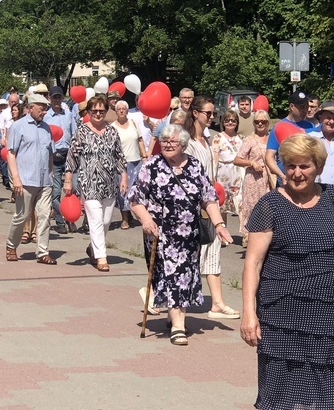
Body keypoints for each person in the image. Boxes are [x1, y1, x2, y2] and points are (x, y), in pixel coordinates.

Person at [241, 134, 334, 410]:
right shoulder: (270, 205)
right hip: (282, 314)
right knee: (279, 397)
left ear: (318, 167)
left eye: (305, 166)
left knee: (333, 394)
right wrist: (248, 312)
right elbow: (253, 264)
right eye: (291, 166)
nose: (297, 173)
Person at [129, 124, 232, 345]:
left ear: (183, 145)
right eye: (163, 140)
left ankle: (174, 319)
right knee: (170, 275)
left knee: (184, 276)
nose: (166, 144)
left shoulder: (194, 165)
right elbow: (136, 199)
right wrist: (146, 219)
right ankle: (177, 324)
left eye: (172, 141)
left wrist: (220, 225)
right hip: (161, 233)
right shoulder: (152, 166)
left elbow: (209, 198)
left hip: (188, 235)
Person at [184, 96, 240, 318]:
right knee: (188, 257)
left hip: (210, 204)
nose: (211, 117)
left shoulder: (208, 140)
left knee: (213, 251)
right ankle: (162, 298)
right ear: (195, 113)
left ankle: (217, 303)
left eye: (212, 114)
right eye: (208, 113)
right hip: (192, 207)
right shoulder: (187, 142)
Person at [64, 95, 128, 272]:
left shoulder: (112, 131)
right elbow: (72, 158)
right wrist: (68, 180)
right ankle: (101, 257)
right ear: (89, 112)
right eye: (95, 111)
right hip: (89, 183)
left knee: (106, 220)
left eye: (101, 111)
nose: (98, 114)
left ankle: (93, 248)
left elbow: (120, 156)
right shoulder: (81, 131)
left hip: (109, 183)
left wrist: (123, 177)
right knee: (95, 220)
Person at [4, 94, 57, 265]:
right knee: (22, 215)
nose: (44, 112)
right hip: (25, 180)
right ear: (31, 107)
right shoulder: (18, 126)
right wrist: (16, 179)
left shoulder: (47, 128)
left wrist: (51, 173)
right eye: (42, 108)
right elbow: (11, 154)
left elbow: (50, 152)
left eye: (46, 108)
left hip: (44, 181)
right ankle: (11, 246)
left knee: (44, 216)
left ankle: (42, 252)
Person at [234, 109, 271, 248]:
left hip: (269, 179)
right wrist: (251, 163)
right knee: (253, 209)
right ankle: (251, 240)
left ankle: (266, 240)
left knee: (268, 209)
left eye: (263, 121)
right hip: (253, 180)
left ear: (268, 122)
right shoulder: (249, 140)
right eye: (257, 121)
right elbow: (237, 159)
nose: (260, 124)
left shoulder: (272, 138)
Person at [44, 85, 77, 234]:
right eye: (54, 97)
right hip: (54, 155)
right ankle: (60, 220)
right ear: (49, 99)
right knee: (55, 191)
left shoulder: (68, 114)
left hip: (68, 154)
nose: (57, 99)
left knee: (72, 189)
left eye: (59, 97)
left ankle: (71, 219)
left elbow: (74, 133)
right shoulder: (46, 116)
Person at [265, 91, 314, 186]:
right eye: (301, 107)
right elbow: (269, 157)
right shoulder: (279, 127)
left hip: (306, 180)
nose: (306, 110)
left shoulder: (311, 126)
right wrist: (281, 175)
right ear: (292, 106)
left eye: (306, 107)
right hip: (285, 180)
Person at [112, 99, 147, 230]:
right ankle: (125, 219)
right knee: (123, 192)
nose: (121, 110)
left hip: (136, 161)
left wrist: (144, 156)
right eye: (119, 109)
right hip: (121, 164)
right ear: (116, 111)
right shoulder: (112, 127)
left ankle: (137, 215)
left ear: (127, 110)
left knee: (136, 191)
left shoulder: (133, 123)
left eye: (124, 108)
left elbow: (140, 140)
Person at [213, 109, 243, 216]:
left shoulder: (241, 138)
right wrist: (213, 176)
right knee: (222, 206)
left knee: (240, 203)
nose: (230, 123)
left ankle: (245, 232)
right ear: (223, 122)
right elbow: (215, 158)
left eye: (233, 120)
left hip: (238, 173)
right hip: (223, 173)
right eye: (227, 120)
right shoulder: (217, 138)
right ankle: (222, 231)